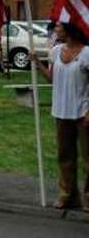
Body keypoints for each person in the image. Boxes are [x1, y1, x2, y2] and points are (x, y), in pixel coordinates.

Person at [33, 21, 89, 209]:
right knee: (65, 156)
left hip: (83, 112)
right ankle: (68, 195)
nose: (55, 30)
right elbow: (52, 79)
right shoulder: (56, 51)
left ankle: (88, 197)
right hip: (61, 111)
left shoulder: (87, 53)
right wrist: (37, 63)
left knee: (87, 158)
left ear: (70, 30)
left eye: (58, 27)